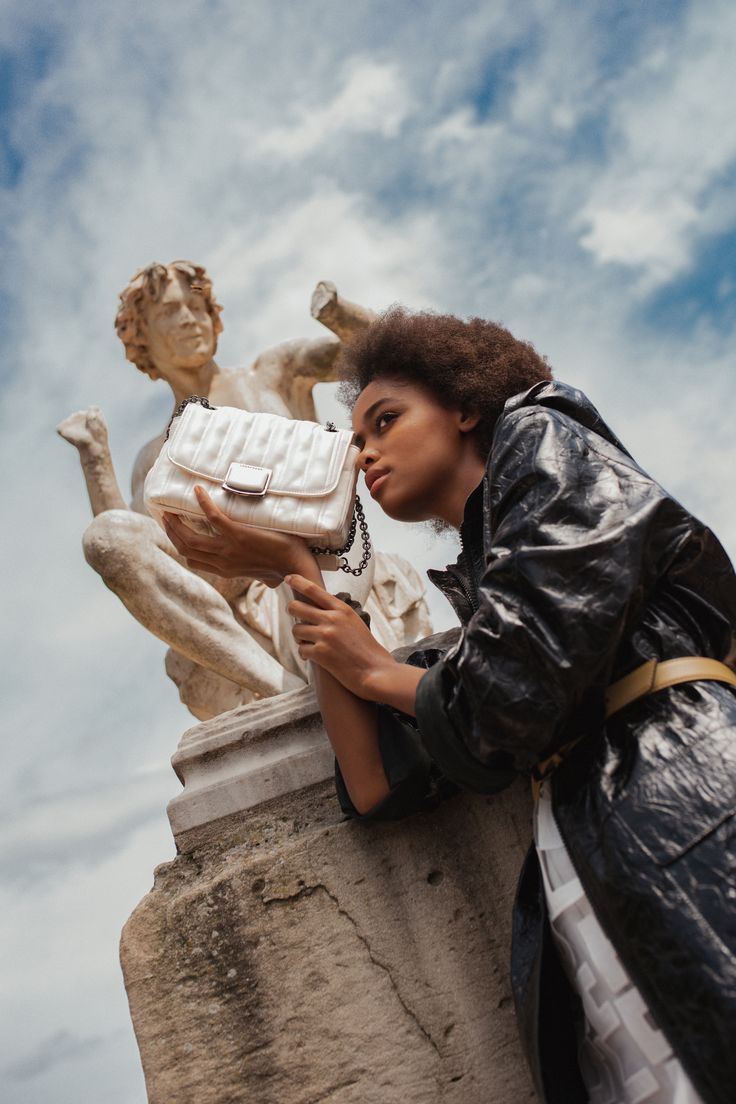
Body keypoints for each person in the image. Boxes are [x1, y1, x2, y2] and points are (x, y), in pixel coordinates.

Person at [163, 306, 736, 1104]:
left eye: (384, 420)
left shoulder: (547, 435)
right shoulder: (487, 600)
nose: (363, 454)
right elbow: (373, 781)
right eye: (355, 440)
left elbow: (511, 691)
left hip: (689, 808)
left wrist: (377, 672)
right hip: (600, 884)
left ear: (466, 405)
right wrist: (298, 560)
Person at [58, 264, 431, 719]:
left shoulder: (272, 374)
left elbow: (390, 352)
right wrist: (95, 461)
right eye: (171, 312)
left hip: (321, 562)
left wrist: (334, 310)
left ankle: (320, 691)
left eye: (197, 306)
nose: (190, 319)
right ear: (142, 342)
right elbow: (148, 567)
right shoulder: (155, 458)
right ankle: (279, 691)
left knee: (303, 583)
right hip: (237, 604)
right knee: (108, 536)